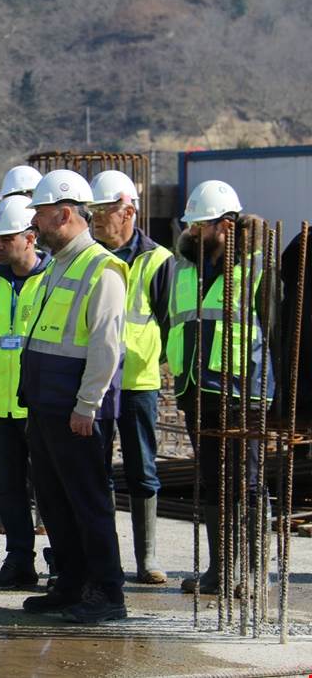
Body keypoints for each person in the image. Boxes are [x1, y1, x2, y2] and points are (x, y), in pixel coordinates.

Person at [18, 169, 129, 623]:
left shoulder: (101, 269)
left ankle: (106, 592)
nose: (36, 226)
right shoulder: (58, 264)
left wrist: (87, 405)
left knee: (87, 501)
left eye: (41, 217)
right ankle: (69, 583)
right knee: (55, 500)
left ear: (64, 214)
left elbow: (106, 346)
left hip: (76, 411)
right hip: (46, 406)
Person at [168, 181, 270, 595]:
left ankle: (251, 574)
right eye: (191, 226)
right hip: (197, 388)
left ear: (226, 225)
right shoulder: (184, 268)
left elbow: (277, 329)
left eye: (201, 226)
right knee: (214, 480)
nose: (193, 233)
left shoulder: (258, 266)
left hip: (241, 389)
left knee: (247, 482)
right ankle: (220, 571)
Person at [90, 170, 175, 585]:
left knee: (142, 469)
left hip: (139, 381)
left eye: (103, 211)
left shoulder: (158, 260)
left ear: (128, 210)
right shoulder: (89, 257)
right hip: (97, 382)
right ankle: (108, 558)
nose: (96, 219)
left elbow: (168, 321)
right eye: (93, 212)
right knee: (97, 471)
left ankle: (148, 558)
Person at [0, 195, 50, 590]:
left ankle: (61, 563)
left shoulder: (51, 280)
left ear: (29, 237)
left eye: (5, 238)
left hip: (37, 403)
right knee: (8, 488)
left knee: (48, 488)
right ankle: (19, 561)